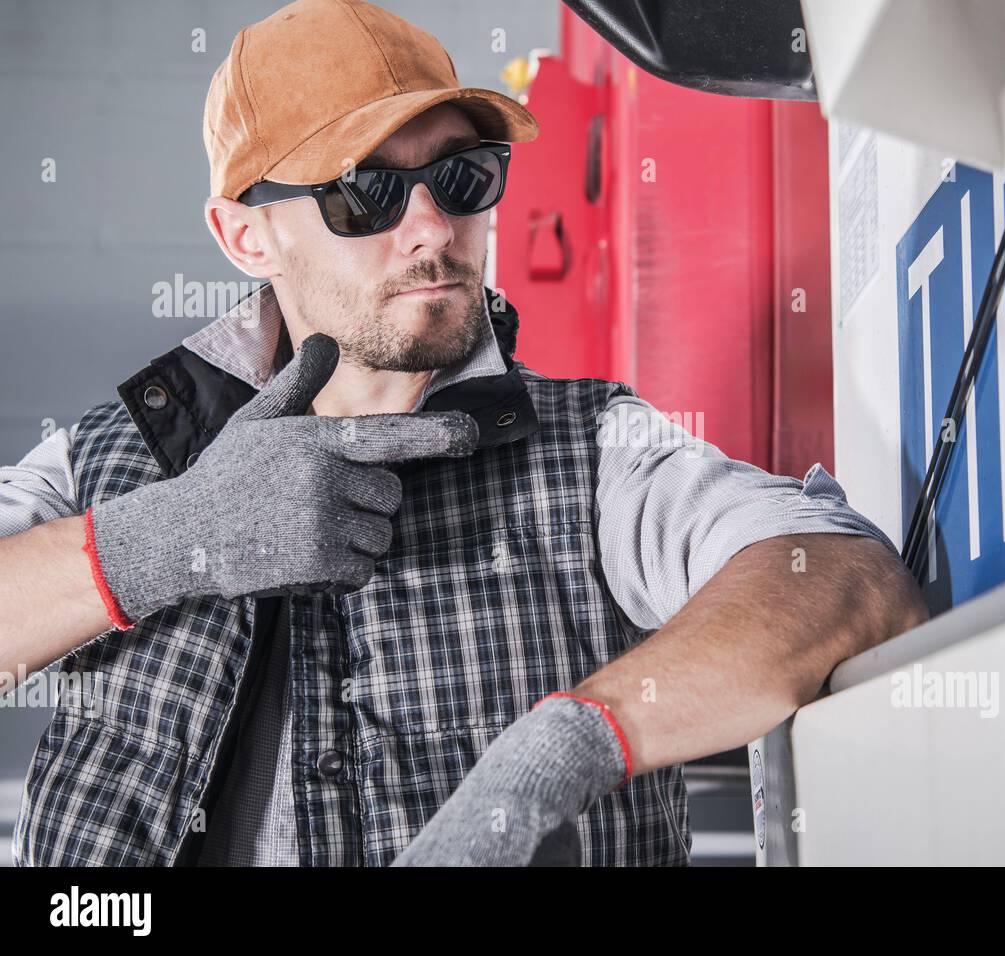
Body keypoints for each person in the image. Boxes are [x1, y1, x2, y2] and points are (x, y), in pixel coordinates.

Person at [0, 0, 926, 867]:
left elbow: (843, 577)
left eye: (461, 174)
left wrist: (562, 749)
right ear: (245, 235)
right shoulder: (115, 461)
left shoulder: (594, 454)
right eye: (365, 192)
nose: (433, 228)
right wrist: (162, 541)